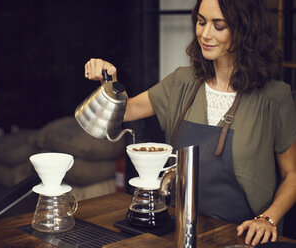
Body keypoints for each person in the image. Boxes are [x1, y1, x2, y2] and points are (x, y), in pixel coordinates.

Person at [84, 0, 296, 246]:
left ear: (244, 30)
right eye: (201, 21)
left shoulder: (274, 97)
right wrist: (110, 80)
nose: (205, 34)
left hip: (244, 237)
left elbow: (292, 173)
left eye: (219, 26)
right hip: (182, 231)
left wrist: (268, 219)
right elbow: (126, 111)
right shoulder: (181, 83)